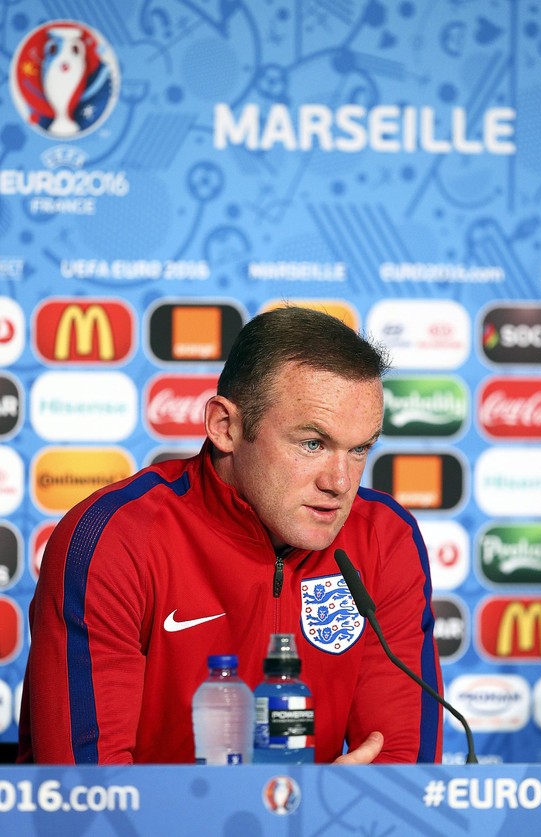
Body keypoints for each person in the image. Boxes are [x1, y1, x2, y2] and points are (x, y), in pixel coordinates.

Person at [18, 306, 442, 765]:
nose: (339, 482)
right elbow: (86, 794)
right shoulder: (112, 540)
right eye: (313, 444)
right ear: (226, 427)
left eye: (359, 449)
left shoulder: (384, 536)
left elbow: (403, 776)